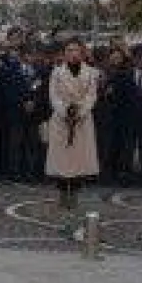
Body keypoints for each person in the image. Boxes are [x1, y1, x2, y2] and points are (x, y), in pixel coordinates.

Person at [46, 39, 100, 209]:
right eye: (69, 50)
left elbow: (91, 95)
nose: (73, 53)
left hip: (82, 121)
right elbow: (53, 96)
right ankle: (62, 194)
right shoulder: (56, 72)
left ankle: (75, 195)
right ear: (64, 53)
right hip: (61, 120)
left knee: (78, 160)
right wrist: (65, 111)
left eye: (76, 50)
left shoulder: (91, 73)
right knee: (62, 159)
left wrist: (80, 112)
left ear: (82, 52)